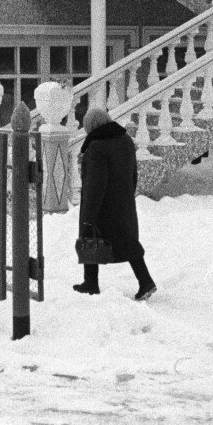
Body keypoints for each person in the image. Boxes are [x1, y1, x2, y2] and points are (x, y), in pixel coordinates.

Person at [75, 107, 155, 300]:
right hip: (123, 201)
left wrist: (89, 214)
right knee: (128, 242)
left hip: (103, 206)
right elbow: (133, 174)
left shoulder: (96, 147)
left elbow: (95, 183)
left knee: (89, 238)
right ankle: (144, 281)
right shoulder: (126, 141)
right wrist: (127, 194)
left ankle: (92, 283)